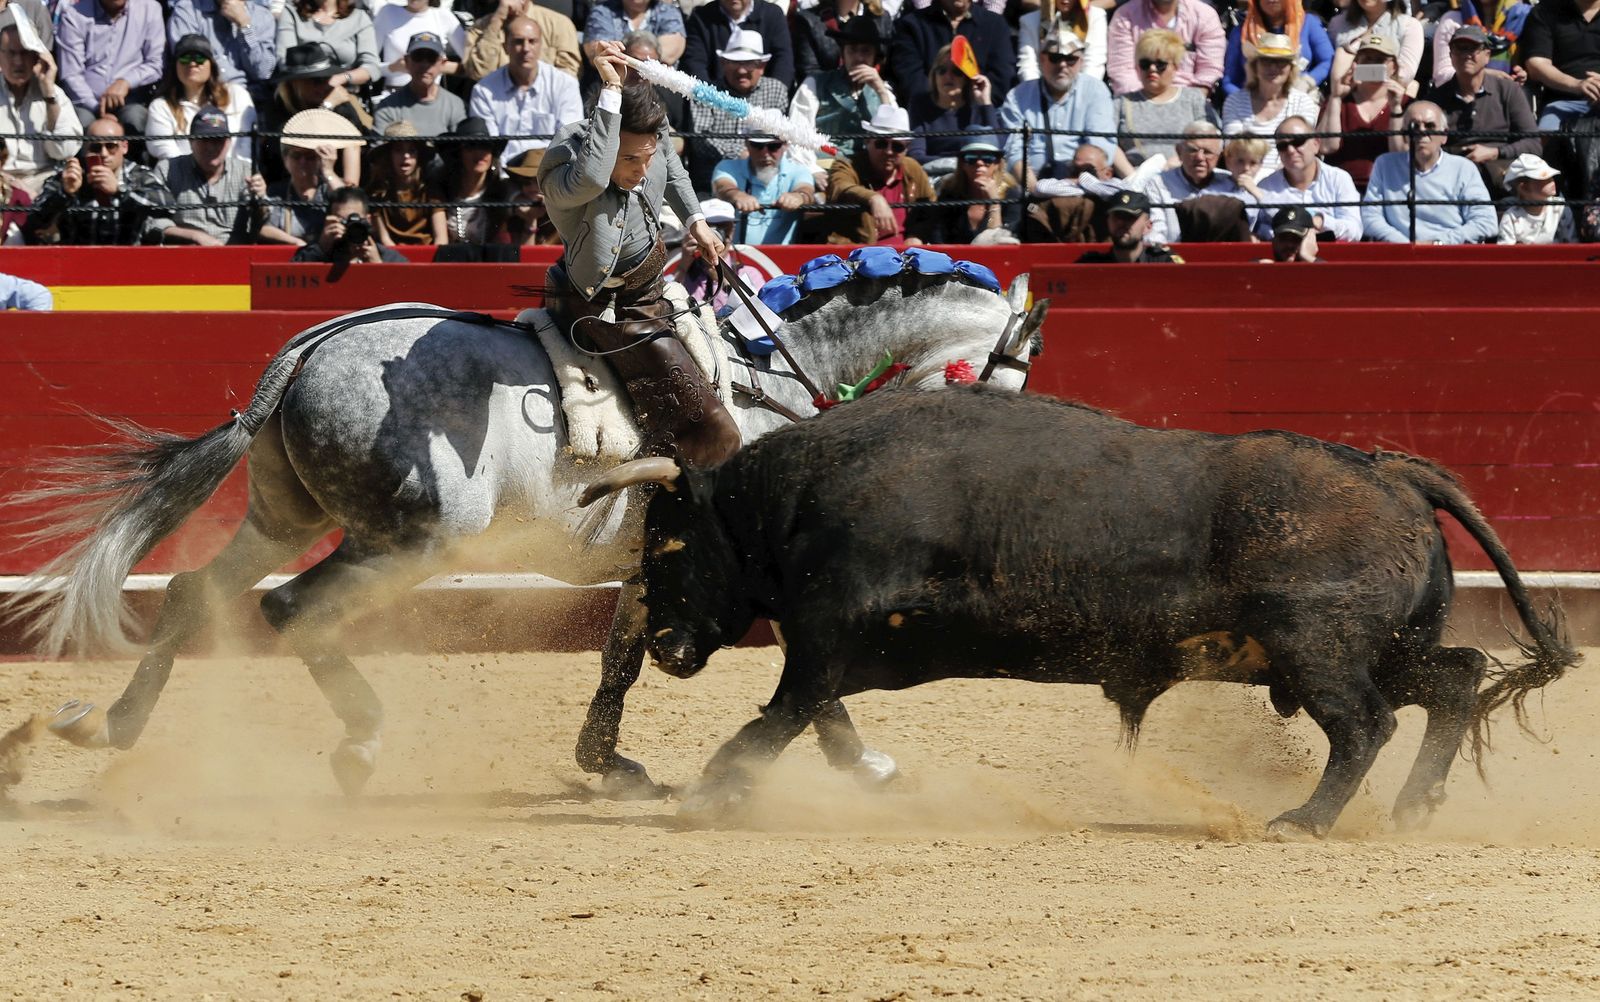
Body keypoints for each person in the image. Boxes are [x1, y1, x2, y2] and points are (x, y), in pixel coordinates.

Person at [539, 42, 741, 468]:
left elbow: (671, 166)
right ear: (605, 140)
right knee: (715, 432)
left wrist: (697, 222)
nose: (642, 170)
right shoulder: (567, 162)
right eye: (630, 158)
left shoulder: (650, 142)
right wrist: (611, 89)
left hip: (650, 292)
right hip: (606, 306)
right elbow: (593, 177)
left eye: (645, 156)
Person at [1422, 25, 1540, 198]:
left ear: (1487, 55)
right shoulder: (1436, 99)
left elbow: (1533, 143)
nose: (1466, 54)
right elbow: (1425, 145)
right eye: (1459, 48)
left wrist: (1494, 152)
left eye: (1473, 48)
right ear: (1451, 55)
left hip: (1502, 176)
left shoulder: (1508, 90)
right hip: (1453, 178)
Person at [1361, 100, 1497, 244]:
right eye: (1414, 126)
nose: (1422, 132)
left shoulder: (1463, 168)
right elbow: (1370, 217)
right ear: (1405, 134)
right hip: (1400, 252)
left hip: (1449, 252)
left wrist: (1438, 243)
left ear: (1444, 135)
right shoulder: (1385, 165)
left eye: (1430, 126)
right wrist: (1405, 246)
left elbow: (1486, 222)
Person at [24, 116, 172, 244]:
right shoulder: (70, 175)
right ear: (85, 148)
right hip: (79, 259)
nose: (104, 153)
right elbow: (34, 221)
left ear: (124, 147)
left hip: (128, 258)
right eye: (95, 147)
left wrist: (120, 191)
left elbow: (169, 207)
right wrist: (65, 193)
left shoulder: (139, 175)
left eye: (111, 146)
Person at [1000, 30, 1115, 185]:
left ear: (1081, 61)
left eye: (1071, 59)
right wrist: (1035, 190)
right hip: (1032, 183)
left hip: (1084, 183)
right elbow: (1013, 152)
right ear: (1042, 59)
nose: (1062, 65)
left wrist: (1074, 185)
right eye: (1055, 58)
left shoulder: (1096, 91)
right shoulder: (1017, 96)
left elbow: (1100, 148)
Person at [469, 15, 584, 164]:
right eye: (518, 42)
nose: (526, 49)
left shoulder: (565, 85)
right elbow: (490, 147)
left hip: (550, 171)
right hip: (503, 172)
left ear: (541, 45)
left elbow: (570, 141)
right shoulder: (484, 90)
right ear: (505, 46)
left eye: (532, 41)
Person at [685, 29, 787, 194]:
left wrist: (752, 153)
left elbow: (779, 136)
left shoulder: (776, 90)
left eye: (749, 63)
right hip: (711, 182)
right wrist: (741, 153)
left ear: (761, 66)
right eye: (735, 63)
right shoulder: (706, 93)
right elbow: (700, 141)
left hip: (763, 182)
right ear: (723, 64)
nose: (741, 70)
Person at [148, 105, 267, 245]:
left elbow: (259, 223)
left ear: (229, 142)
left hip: (233, 252)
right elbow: (152, 222)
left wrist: (261, 201)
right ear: (191, 141)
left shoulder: (244, 171)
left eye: (218, 140)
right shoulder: (167, 170)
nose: (211, 147)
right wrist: (195, 236)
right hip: (185, 251)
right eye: (204, 139)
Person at [789, 17, 897, 167]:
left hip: (869, 170)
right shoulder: (814, 84)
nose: (859, 57)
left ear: (875, 57)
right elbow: (797, 134)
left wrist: (881, 92)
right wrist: (813, 170)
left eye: (866, 51)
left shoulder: (884, 92)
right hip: (825, 166)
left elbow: (896, 140)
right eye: (852, 49)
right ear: (843, 54)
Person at [824, 104, 937, 245]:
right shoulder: (848, 165)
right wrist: (874, 198)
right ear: (867, 141)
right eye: (881, 143)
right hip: (857, 253)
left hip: (905, 254)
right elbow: (840, 187)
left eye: (897, 146)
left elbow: (929, 208)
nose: (889, 151)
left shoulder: (912, 169)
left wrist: (916, 235)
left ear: (906, 149)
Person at [261, 42, 370, 187]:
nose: (325, 86)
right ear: (295, 83)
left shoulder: (340, 104)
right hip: (288, 183)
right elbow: (290, 146)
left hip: (334, 184)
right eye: (317, 81)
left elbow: (352, 170)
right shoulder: (278, 108)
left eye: (327, 78)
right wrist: (326, 107)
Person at [1113, 29, 1217, 176]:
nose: (1152, 69)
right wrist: (1133, 178)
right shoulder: (1122, 103)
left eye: (1160, 64)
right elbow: (1108, 144)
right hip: (1135, 179)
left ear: (1175, 67)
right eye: (1145, 64)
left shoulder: (1194, 99)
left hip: (1186, 176)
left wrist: (1181, 163)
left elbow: (1211, 141)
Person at [0, 20, 83, 196]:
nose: (18, 61)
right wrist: (12, 184)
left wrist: (49, 96)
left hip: (44, 182)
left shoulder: (54, 92)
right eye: (11, 53)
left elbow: (65, 150)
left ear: (36, 56)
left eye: (25, 53)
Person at [54, 0, 165, 132]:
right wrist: (96, 107)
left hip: (131, 101)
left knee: (135, 118)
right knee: (80, 122)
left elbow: (156, 64)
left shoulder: (150, 9)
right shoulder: (74, 15)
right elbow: (71, 74)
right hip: (85, 104)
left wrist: (126, 82)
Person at [1220, 34, 1321, 176]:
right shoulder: (1234, 101)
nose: (1273, 67)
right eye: (1266, 61)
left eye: (1281, 62)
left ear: (1291, 68)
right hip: (1245, 176)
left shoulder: (1303, 102)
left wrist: (1275, 180)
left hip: (1288, 178)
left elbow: (1301, 149)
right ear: (1255, 66)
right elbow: (1233, 149)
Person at [146, 34, 257, 164]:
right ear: (175, 65)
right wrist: (194, 173)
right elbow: (164, 149)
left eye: (199, 58)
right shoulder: (161, 106)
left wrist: (237, 171)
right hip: (182, 174)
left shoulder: (237, 94)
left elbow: (246, 145)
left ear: (211, 64)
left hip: (235, 172)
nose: (192, 64)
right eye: (185, 58)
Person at [1317, 33, 1408, 191]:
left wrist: (1396, 108)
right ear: (1356, 64)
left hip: (1389, 188)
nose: (1372, 65)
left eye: (1379, 60)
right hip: (1340, 189)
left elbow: (1400, 155)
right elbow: (1325, 147)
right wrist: (1336, 97)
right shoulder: (1339, 101)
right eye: (1367, 59)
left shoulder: (1406, 103)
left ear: (1393, 66)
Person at [1252, 115, 1361, 241]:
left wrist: (1322, 222)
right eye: (1282, 146)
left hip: (1330, 251)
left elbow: (1355, 231)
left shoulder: (1339, 179)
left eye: (1298, 142)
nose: (1290, 150)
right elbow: (1257, 230)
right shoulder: (1265, 187)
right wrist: (1287, 233)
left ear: (1316, 144)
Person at [891, 0, 1014, 107]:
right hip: (927, 117)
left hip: (979, 115)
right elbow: (911, 78)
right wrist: (939, 105)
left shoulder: (995, 25)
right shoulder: (911, 25)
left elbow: (1001, 76)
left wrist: (974, 104)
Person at [1141, 120, 1243, 244]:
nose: (1200, 157)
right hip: (1172, 252)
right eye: (1192, 150)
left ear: (1219, 156)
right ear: (1179, 152)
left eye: (1207, 152)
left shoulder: (1231, 183)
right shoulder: (1158, 183)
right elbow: (1155, 233)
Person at [906, 42, 998, 170]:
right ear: (934, 75)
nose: (948, 76)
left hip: (974, 173)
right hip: (933, 174)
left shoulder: (978, 107)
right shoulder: (920, 105)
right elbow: (916, 156)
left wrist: (985, 102)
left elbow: (996, 148)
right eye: (942, 70)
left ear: (967, 78)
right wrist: (957, 162)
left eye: (957, 71)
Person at [710, 131, 812, 244]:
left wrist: (799, 197)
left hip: (782, 254)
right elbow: (722, 187)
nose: (765, 153)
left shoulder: (799, 170)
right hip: (734, 252)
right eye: (757, 145)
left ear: (786, 145)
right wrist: (737, 195)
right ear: (747, 144)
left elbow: (806, 190)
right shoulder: (727, 167)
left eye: (773, 146)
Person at [1106, 0, 1225, 96]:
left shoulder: (1205, 16)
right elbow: (1122, 71)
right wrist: (1144, 103)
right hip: (1139, 100)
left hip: (1190, 100)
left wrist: (1189, 102)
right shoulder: (1125, 16)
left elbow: (1209, 71)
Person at [259, 117, 346, 245]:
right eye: (296, 156)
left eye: (310, 157)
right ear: (285, 159)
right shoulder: (278, 191)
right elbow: (264, 228)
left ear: (319, 159)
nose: (303, 162)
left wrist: (329, 172)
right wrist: (296, 242)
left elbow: (348, 203)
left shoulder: (328, 187)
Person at [166, 0, 277, 97]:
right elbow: (188, 64)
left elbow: (264, 72)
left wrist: (244, 26)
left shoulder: (262, 16)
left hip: (251, 100)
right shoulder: (188, 10)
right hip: (203, 96)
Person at [1222, 0, 1332, 97]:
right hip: (1251, 103)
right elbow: (1229, 81)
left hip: (1300, 96)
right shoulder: (1242, 32)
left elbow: (1328, 60)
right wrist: (1244, 101)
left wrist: (1307, 81)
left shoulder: (1308, 23)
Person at [1521, 0, 1600, 131]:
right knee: (1546, 134)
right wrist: (1576, 84)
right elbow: (1536, 65)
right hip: (1561, 103)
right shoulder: (1545, 11)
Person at [673, 198, 762, 312]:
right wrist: (683, 265)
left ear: (733, 230)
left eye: (725, 227)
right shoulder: (687, 274)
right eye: (710, 227)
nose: (718, 235)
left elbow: (759, 311)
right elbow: (669, 303)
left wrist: (723, 279)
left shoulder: (748, 274)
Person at [682, 0, 796, 89]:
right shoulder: (701, 18)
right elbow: (695, 63)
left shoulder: (773, 15)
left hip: (764, 99)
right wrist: (710, 99)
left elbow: (783, 62)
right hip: (714, 99)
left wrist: (773, 96)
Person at [274, 0, 381, 95]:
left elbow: (371, 67)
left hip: (344, 94)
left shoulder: (359, 18)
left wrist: (341, 78)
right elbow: (285, 61)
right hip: (302, 94)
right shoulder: (292, 12)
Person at [373, 31, 468, 137]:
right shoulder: (388, 107)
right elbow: (380, 146)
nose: (424, 64)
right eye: (418, 57)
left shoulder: (455, 105)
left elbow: (462, 145)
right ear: (407, 61)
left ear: (442, 63)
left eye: (431, 58)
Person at [932, 131, 1021, 244]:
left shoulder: (1012, 194)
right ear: (962, 164)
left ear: (997, 163)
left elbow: (1001, 240)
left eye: (987, 158)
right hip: (955, 254)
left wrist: (994, 202)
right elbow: (938, 237)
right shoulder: (949, 193)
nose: (979, 163)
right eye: (971, 158)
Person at [460, 0, 581, 82]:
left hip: (545, 104)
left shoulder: (558, 24)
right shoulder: (480, 28)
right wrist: (497, 21)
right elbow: (480, 73)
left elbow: (569, 76)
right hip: (496, 103)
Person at [437, 115, 513, 245]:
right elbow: (440, 242)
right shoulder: (441, 192)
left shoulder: (502, 193)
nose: (479, 153)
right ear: (458, 153)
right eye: (471, 146)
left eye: (485, 146)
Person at [291, 185, 409, 262]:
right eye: (342, 221)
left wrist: (378, 265)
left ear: (368, 220)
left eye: (355, 220)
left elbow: (405, 285)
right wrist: (321, 248)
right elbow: (294, 276)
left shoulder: (386, 256)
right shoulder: (316, 252)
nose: (349, 226)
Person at [1326, 0, 1422, 93]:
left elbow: (1405, 74)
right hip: (1341, 95)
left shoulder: (1409, 26)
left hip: (1386, 97)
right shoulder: (1337, 23)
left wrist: (1355, 74)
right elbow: (1327, 63)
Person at [790, 0, 894, 82]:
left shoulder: (881, 18)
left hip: (874, 96)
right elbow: (809, 76)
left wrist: (878, 89)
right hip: (826, 98)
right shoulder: (809, 20)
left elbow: (890, 73)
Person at [373, 0, 463, 92]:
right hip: (394, 93)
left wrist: (441, 67)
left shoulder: (443, 16)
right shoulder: (387, 12)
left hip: (431, 94)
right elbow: (369, 66)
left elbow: (470, 64)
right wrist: (392, 67)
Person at [1076, 189, 1181, 262]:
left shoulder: (1164, 262)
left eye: (1130, 217)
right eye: (1117, 216)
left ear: (1148, 226)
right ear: (1108, 222)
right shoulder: (1091, 265)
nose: (1121, 222)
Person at [1017, 0, 1106, 83]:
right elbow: (1028, 66)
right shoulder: (1029, 21)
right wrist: (1037, 92)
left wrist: (1083, 91)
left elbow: (1094, 63)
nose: (1065, 0)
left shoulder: (1095, 17)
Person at [1497, 153, 1575, 244]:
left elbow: (1572, 244)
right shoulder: (1511, 217)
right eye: (1544, 178)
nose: (1552, 181)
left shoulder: (1561, 208)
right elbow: (1505, 250)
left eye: (1551, 176)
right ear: (1524, 188)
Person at [583, 0, 685, 67]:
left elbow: (669, 53)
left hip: (656, 86)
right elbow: (600, 52)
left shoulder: (669, 13)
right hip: (611, 81)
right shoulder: (602, 12)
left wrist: (622, 57)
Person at [499, 146, 560, 245]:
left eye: (538, 181)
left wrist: (554, 208)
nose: (532, 187)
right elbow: (528, 253)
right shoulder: (517, 213)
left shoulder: (567, 211)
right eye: (526, 182)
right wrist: (530, 219)